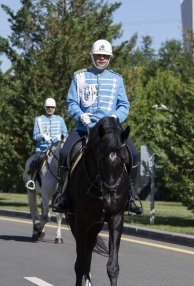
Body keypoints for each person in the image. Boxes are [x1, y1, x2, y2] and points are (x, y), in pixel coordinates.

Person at [54, 39, 143, 216]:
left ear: (109, 58)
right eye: (98, 55)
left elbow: (124, 105)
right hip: (84, 127)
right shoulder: (79, 76)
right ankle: (64, 197)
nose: (101, 58)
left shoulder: (117, 79)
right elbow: (71, 102)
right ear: (92, 56)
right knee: (64, 154)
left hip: (111, 130)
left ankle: (130, 198)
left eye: (105, 56)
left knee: (133, 154)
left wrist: (117, 116)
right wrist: (80, 115)